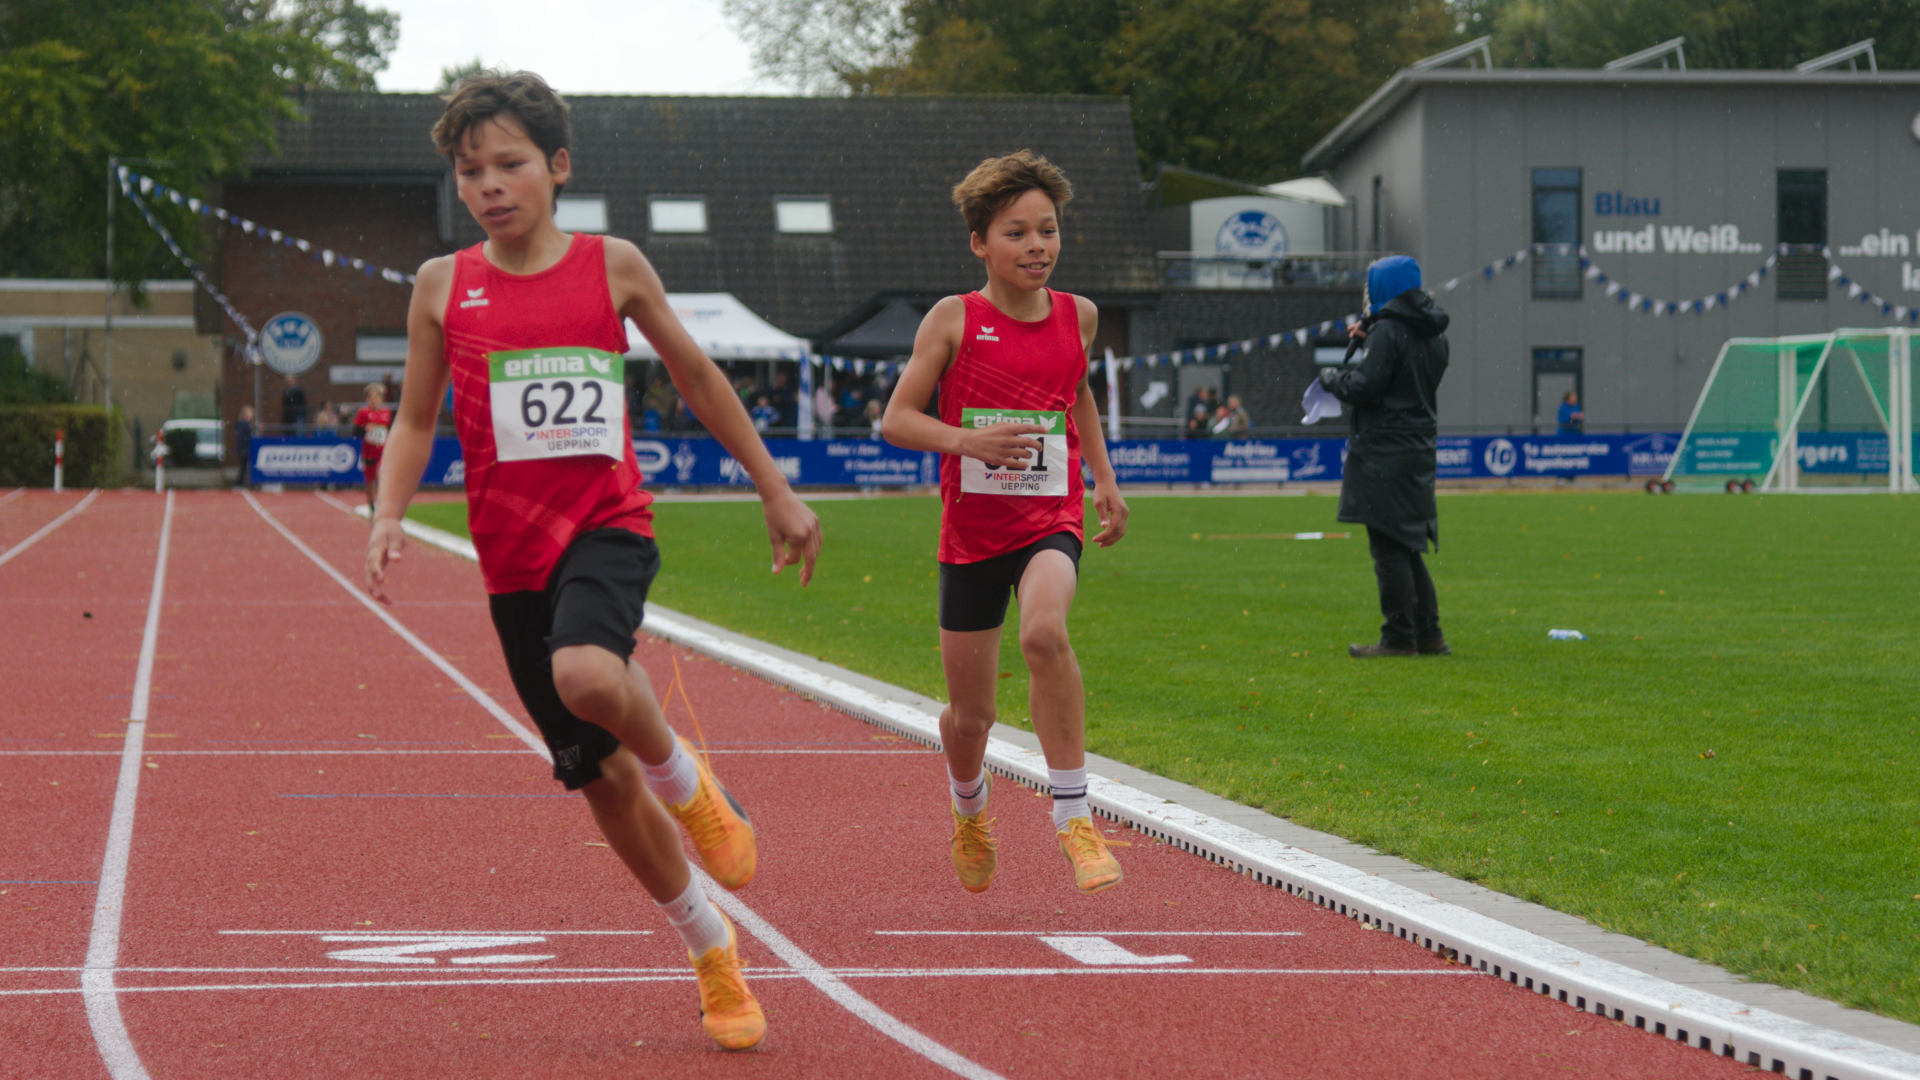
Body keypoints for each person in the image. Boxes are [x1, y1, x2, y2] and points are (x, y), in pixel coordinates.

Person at [362, 70, 821, 1051]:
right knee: (600, 781)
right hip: (511, 559)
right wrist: (387, 513)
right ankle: (711, 948)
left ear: (558, 166)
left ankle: (688, 784)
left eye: (510, 164)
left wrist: (774, 487)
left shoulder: (612, 266)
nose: (490, 185)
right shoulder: (442, 285)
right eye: (470, 171)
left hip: (607, 524)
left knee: (589, 674)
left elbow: (696, 374)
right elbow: (415, 418)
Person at [881, 149, 1130, 897]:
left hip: (1049, 516)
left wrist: (1104, 478)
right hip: (971, 536)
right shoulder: (954, 318)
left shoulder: (1079, 315)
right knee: (971, 717)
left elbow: (1075, 393)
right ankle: (970, 809)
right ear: (980, 243)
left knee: (1044, 633)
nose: (1036, 246)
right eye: (1016, 233)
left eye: (1047, 230)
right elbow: (897, 419)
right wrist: (967, 441)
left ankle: (1075, 818)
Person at [1319, 254, 1450, 659]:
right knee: (1407, 544)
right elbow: (1402, 377)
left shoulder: (1388, 332)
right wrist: (1370, 338)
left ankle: (1399, 637)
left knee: (1388, 546)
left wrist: (1332, 379)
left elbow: (1367, 386)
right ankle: (1428, 634)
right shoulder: (1433, 334)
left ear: (1383, 289)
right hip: (1417, 447)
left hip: (1384, 451)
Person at [353, 383, 394, 510]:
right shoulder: (363, 413)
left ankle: (383, 502)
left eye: (377, 397)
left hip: (383, 451)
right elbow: (355, 432)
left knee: (381, 473)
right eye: (371, 397)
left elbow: (390, 429)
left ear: (381, 399)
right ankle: (371, 503)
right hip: (369, 452)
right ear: (367, 399)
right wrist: (365, 429)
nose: (374, 400)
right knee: (370, 480)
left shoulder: (386, 412)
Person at [232, 405, 254, 488]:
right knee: (243, 467)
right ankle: (239, 483)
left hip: (244, 448)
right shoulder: (243, 424)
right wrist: (243, 449)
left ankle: (240, 483)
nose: (252, 415)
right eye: (250, 413)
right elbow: (242, 437)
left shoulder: (245, 424)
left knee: (244, 467)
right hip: (244, 449)